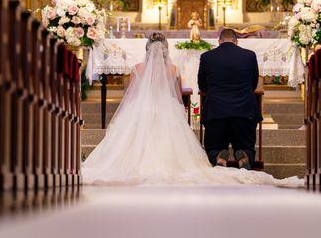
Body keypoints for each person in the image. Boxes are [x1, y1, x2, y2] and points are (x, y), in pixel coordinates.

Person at [81, 32, 302, 187]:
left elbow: (130, 96)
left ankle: (217, 154)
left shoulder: (137, 69)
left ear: (147, 48)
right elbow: (178, 98)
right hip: (194, 109)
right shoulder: (173, 69)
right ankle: (241, 153)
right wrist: (180, 113)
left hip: (140, 112)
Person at [197, 28, 260, 169]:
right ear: (236, 41)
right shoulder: (249, 55)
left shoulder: (207, 56)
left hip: (216, 111)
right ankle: (244, 155)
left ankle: (218, 156)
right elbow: (253, 83)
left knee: (213, 146)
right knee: (246, 145)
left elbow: (202, 85)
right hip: (244, 111)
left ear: (219, 41)